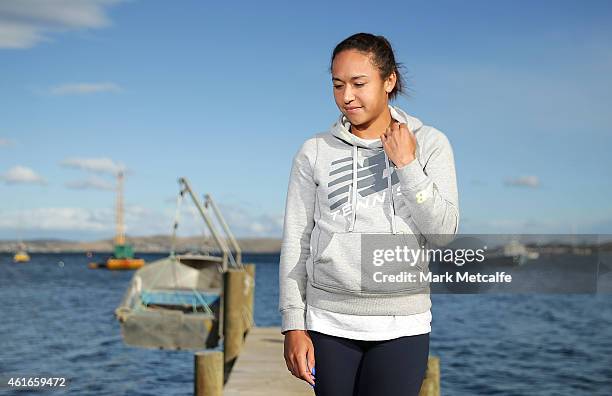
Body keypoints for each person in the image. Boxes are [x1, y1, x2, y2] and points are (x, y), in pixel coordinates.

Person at [278, 32, 459, 396]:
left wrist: (407, 165)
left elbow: (444, 233)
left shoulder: (431, 143)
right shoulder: (314, 151)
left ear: (389, 80)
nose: (346, 96)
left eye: (359, 83)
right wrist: (293, 325)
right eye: (338, 84)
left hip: (402, 324)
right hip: (329, 322)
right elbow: (297, 240)